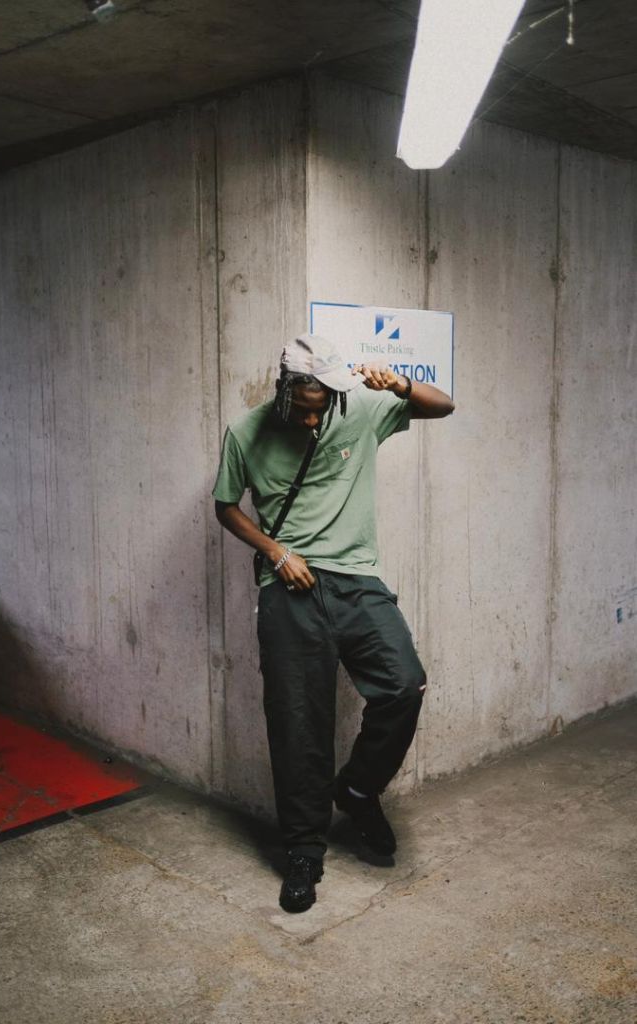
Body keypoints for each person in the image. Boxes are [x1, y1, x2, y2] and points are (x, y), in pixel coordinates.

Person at [213, 333, 454, 913]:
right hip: (289, 584)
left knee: (404, 684)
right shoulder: (246, 432)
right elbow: (226, 507)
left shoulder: (362, 407)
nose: (312, 417)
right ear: (285, 388)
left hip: (357, 579)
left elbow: (443, 405)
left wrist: (400, 383)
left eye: (322, 404)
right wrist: (276, 552)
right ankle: (303, 851)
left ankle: (358, 789)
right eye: (303, 405)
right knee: (298, 720)